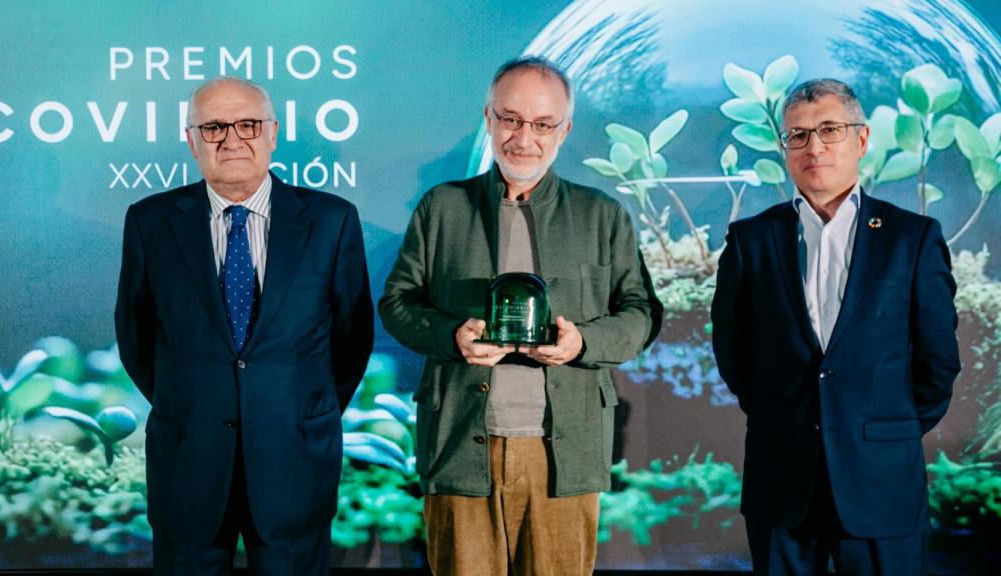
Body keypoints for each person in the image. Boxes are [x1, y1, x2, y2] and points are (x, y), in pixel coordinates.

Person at [379, 56, 663, 576]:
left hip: (564, 455)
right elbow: (397, 303)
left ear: (565, 130)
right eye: (510, 119)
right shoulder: (443, 208)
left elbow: (641, 314)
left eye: (542, 124)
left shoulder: (601, 215)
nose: (524, 138)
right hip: (459, 445)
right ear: (488, 118)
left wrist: (582, 344)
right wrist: (450, 335)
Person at [115, 76, 373, 575]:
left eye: (248, 125)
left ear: (273, 133)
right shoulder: (150, 222)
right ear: (191, 140)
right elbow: (136, 337)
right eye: (213, 127)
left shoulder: (332, 220)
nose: (231, 139)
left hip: (294, 463)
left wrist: (295, 413)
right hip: (188, 465)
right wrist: (194, 404)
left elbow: (352, 340)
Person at [711, 78, 960, 575]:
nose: (814, 147)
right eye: (798, 135)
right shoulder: (750, 240)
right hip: (781, 482)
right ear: (785, 147)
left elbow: (938, 363)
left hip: (882, 484)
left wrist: (885, 429)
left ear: (861, 139)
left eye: (829, 130)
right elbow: (733, 352)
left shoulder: (911, 238)